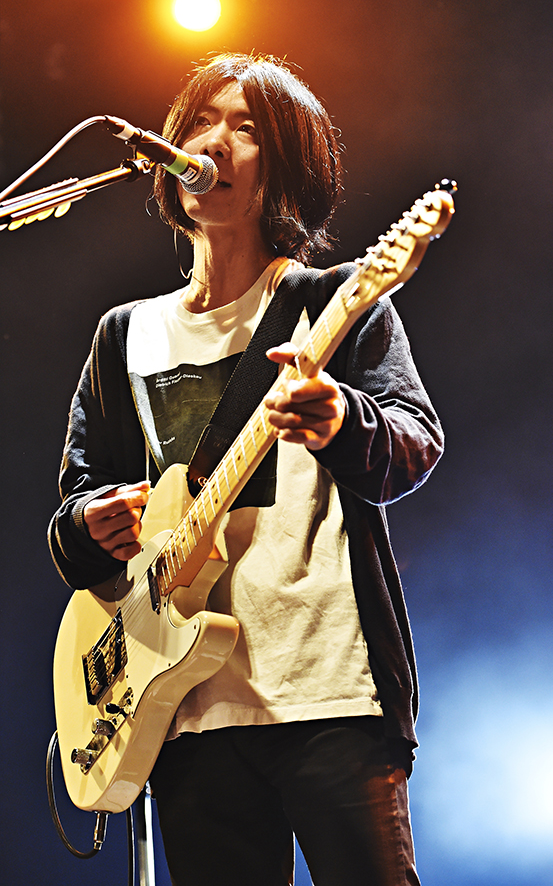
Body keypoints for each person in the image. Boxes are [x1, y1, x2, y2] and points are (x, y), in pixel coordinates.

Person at [48, 53, 444, 886]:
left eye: (246, 128)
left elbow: (414, 444)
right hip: (183, 706)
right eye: (198, 122)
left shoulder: (337, 302)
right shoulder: (125, 334)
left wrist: (340, 419)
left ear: (289, 165)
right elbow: (76, 507)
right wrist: (91, 523)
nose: (212, 143)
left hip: (329, 692)